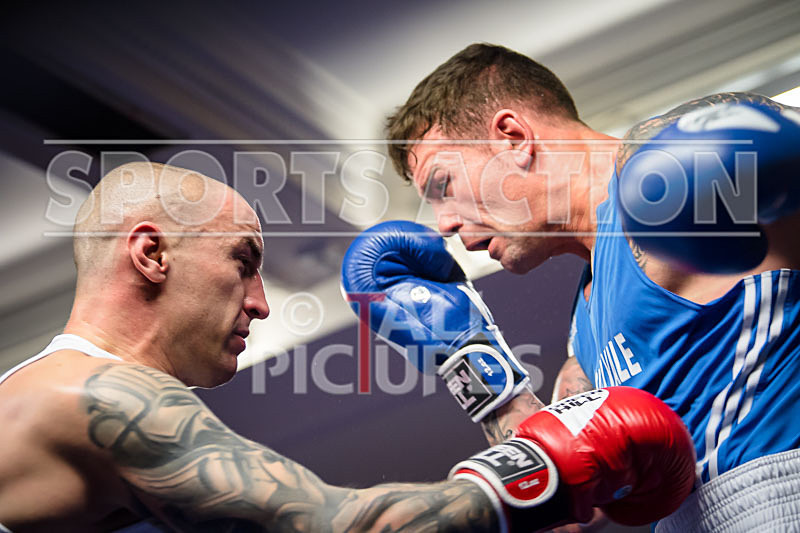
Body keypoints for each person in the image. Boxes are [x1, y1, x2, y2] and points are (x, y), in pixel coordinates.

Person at [0, 162, 694, 532]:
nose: (261, 301)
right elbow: (346, 528)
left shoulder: (52, 396)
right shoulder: (99, 396)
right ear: (151, 254)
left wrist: (499, 404)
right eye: (243, 260)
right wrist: (544, 468)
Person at [379, 42, 800, 531]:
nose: (443, 223)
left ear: (513, 137)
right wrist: (470, 361)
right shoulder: (584, 337)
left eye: (442, 185)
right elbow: (561, 516)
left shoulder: (659, 169)